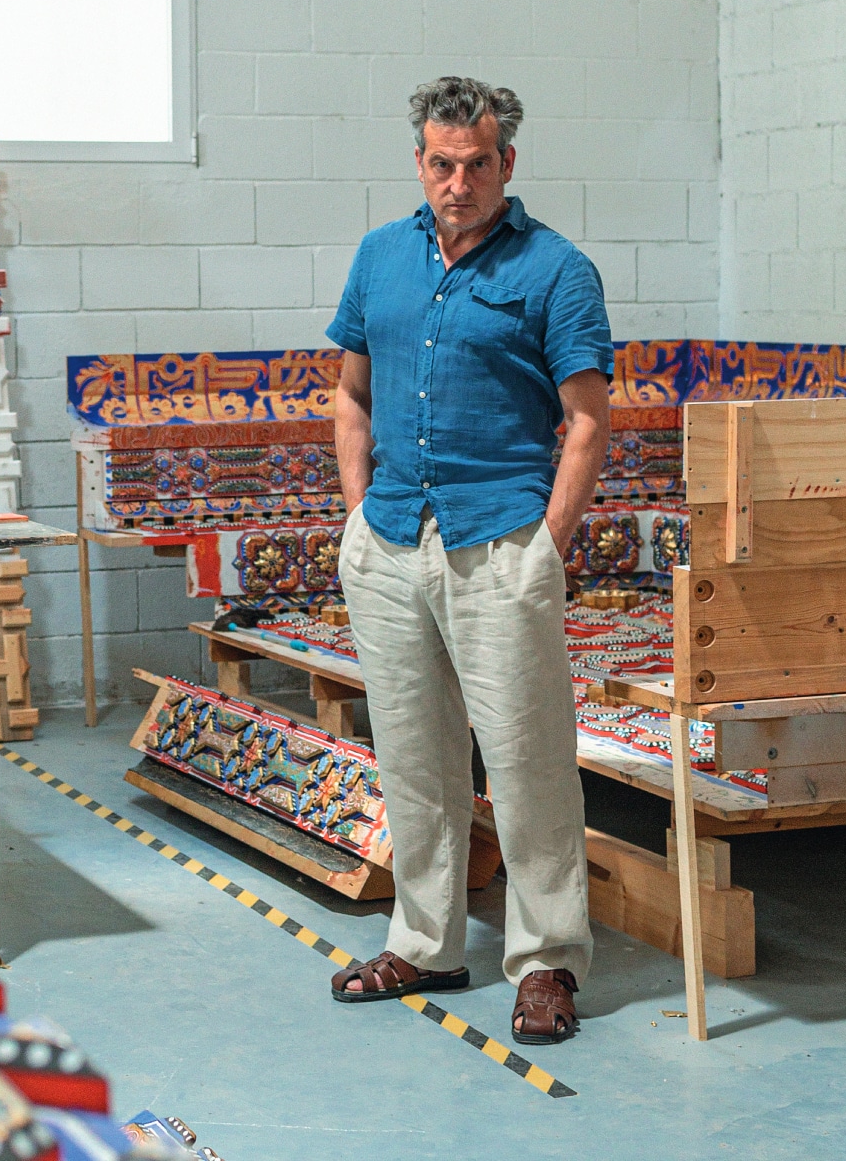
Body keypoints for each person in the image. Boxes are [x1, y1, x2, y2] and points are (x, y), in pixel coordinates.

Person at [325, 76, 612, 1045]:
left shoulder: (554, 270)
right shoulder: (379, 258)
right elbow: (351, 396)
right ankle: (425, 943)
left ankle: (545, 963)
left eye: (476, 164)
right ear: (419, 162)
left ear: (506, 164)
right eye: (442, 164)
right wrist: (360, 517)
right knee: (413, 759)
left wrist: (548, 548)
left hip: (499, 544)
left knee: (528, 766)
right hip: (391, 541)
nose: (458, 182)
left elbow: (584, 422)